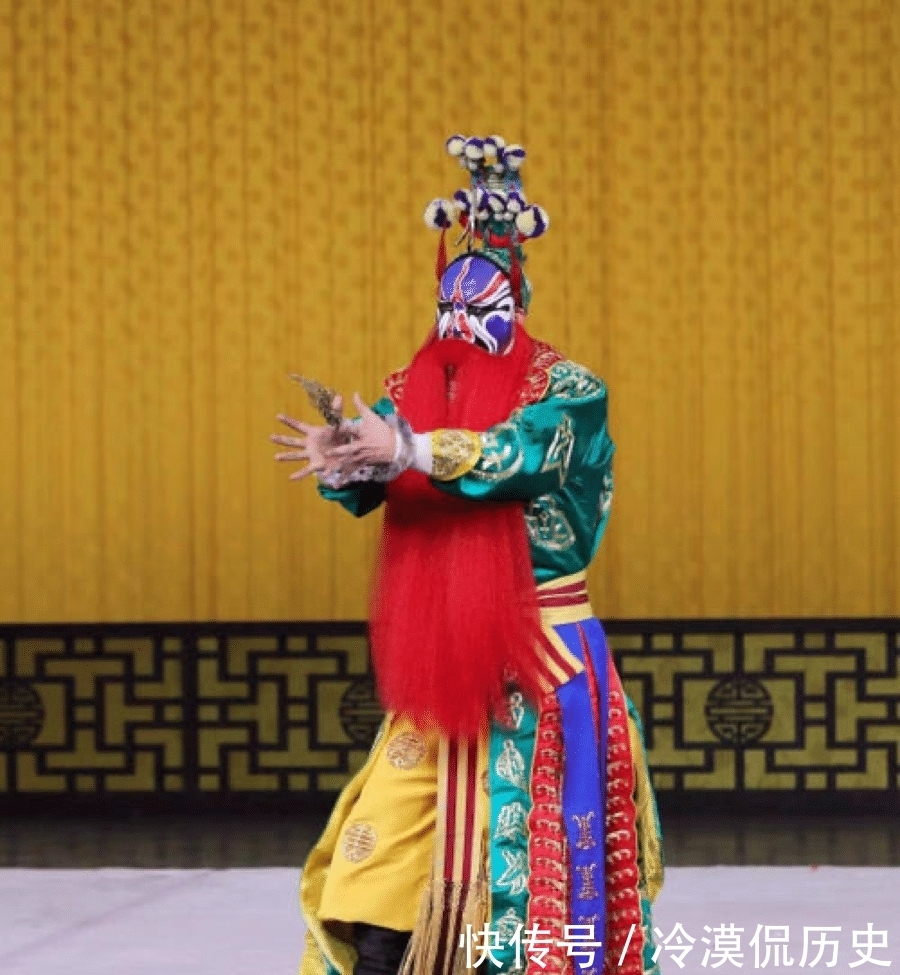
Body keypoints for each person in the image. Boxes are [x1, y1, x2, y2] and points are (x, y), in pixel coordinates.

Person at [271, 135, 664, 975]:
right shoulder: (416, 391)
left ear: (515, 303)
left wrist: (407, 448)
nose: (460, 321)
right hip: (443, 667)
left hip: (539, 663)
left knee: (527, 887)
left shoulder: (567, 393)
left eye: (479, 303)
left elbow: (517, 457)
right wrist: (348, 460)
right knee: (378, 865)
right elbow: (381, 472)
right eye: (448, 303)